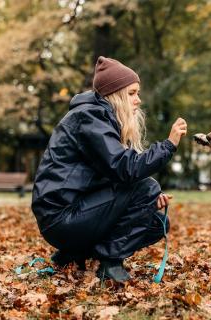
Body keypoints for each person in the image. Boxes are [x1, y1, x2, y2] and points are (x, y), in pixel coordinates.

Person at [31, 56, 187, 282]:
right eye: (132, 93)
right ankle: (109, 264)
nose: (138, 100)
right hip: (62, 218)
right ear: (116, 94)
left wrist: (145, 201)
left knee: (156, 224)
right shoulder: (89, 117)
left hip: (73, 213)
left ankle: (75, 254)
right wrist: (168, 145)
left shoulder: (97, 117)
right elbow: (125, 168)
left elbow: (104, 176)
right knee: (147, 186)